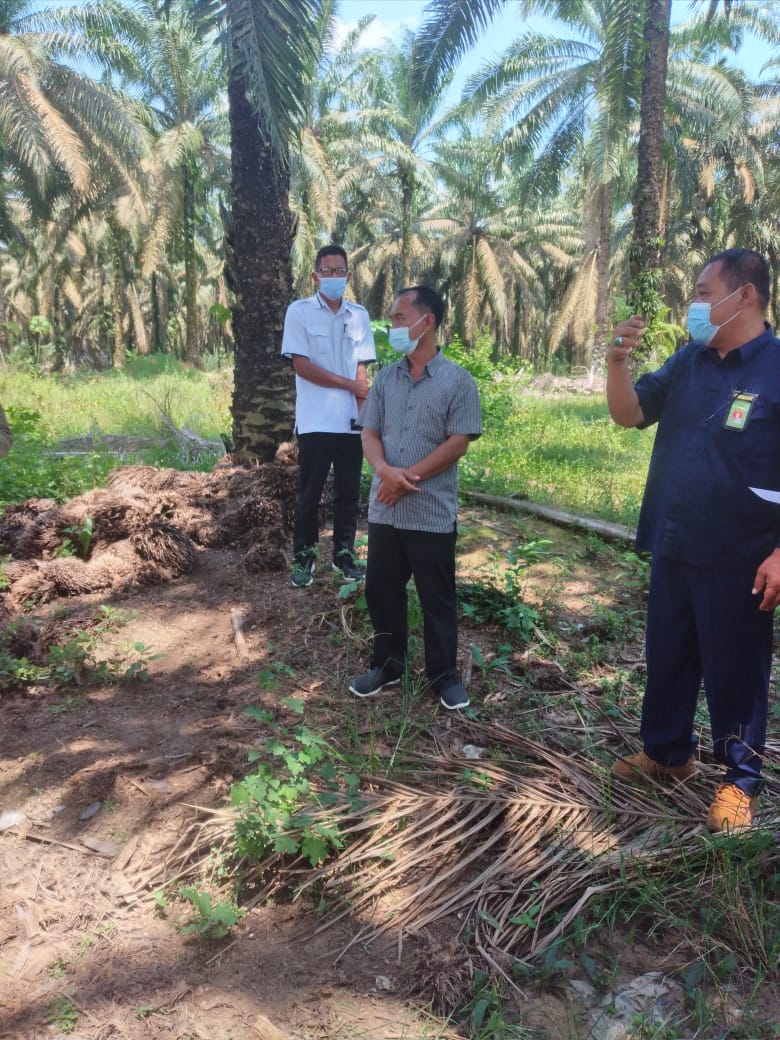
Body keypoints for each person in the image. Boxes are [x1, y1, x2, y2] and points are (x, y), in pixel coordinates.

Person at [607, 248, 780, 832]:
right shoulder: (688, 361)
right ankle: (667, 753)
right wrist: (616, 361)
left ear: (744, 295)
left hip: (742, 552)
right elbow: (629, 413)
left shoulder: (776, 369)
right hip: (675, 538)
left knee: (737, 668)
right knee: (669, 653)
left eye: (704, 292)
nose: (695, 304)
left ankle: (739, 781)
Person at [349, 286, 482, 710]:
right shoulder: (386, 379)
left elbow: (458, 443)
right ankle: (387, 666)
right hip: (386, 509)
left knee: (436, 597)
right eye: (392, 318)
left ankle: (444, 676)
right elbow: (370, 432)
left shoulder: (458, 381)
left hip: (430, 511)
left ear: (428, 322)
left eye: (400, 318)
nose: (393, 326)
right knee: (381, 591)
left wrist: (408, 477)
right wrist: (385, 472)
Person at [281, 245, 376, 587]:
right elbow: (302, 367)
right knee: (310, 495)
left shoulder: (359, 315)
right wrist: (349, 385)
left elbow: (362, 369)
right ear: (315, 275)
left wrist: (365, 418)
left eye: (339, 271)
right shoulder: (300, 312)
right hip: (316, 421)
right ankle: (304, 560)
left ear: (348, 276)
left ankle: (344, 557)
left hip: (351, 424)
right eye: (327, 271)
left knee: (348, 495)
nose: (333, 277)